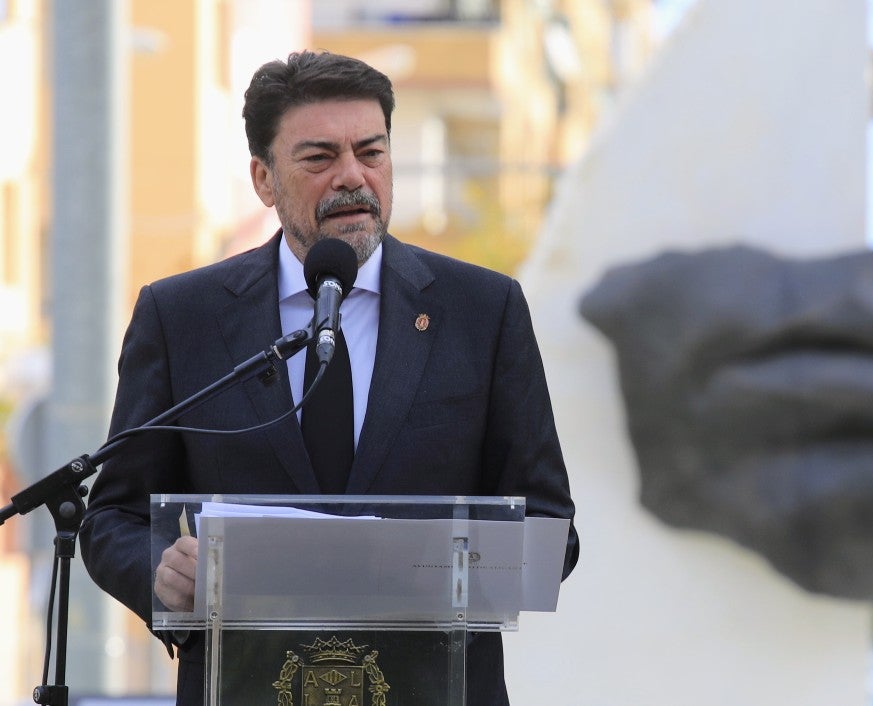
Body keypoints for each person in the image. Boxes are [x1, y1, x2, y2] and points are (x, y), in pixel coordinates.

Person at [78, 50, 579, 706]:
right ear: (264, 179)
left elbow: (548, 529)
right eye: (319, 158)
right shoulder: (183, 317)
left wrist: (424, 569)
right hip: (249, 685)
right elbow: (113, 513)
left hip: (433, 687)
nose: (353, 177)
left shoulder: (482, 311)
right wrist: (162, 575)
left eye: (371, 152)